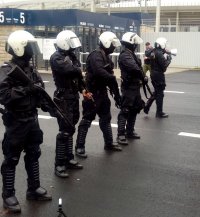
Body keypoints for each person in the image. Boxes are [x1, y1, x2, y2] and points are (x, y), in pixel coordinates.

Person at [0, 30, 52, 213]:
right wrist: (27, 90)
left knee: (33, 153)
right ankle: (8, 195)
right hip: (16, 121)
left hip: (32, 119)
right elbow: (4, 96)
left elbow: (40, 92)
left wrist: (49, 106)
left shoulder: (31, 70)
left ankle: (33, 188)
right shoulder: (6, 70)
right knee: (11, 158)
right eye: (29, 46)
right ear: (19, 48)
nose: (32, 50)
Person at [50, 30, 92, 178]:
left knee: (71, 127)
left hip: (73, 96)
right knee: (65, 130)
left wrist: (84, 90)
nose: (73, 47)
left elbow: (78, 77)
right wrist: (78, 70)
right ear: (63, 42)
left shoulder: (72, 56)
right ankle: (59, 164)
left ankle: (68, 158)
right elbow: (71, 70)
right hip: (63, 97)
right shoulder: (56, 57)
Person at [75, 31, 122, 158]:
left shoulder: (105, 56)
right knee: (87, 120)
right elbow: (100, 72)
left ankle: (109, 143)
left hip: (102, 93)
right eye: (112, 44)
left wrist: (117, 96)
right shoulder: (96, 56)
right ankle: (79, 146)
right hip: (92, 93)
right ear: (106, 43)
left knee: (106, 119)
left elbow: (109, 78)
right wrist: (112, 79)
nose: (113, 46)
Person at [116, 32, 147, 145]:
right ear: (130, 43)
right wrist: (143, 76)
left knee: (135, 108)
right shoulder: (125, 55)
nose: (136, 45)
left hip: (135, 86)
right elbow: (134, 68)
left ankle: (130, 131)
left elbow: (138, 67)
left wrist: (143, 77)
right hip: (129, 87)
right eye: (134, 43)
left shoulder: (131, 53)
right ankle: (120, 134)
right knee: (125, 110)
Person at [143, 37, 171, 118]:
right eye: (164, 45)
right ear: (162, 44)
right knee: (160, 94)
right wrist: (169, 59)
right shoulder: (159, 53)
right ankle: (159, 112)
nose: (165, 46)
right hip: (158, 75)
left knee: (157, 92)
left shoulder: (154, 51)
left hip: (153, 74)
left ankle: (147, 106)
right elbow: (164, 66)